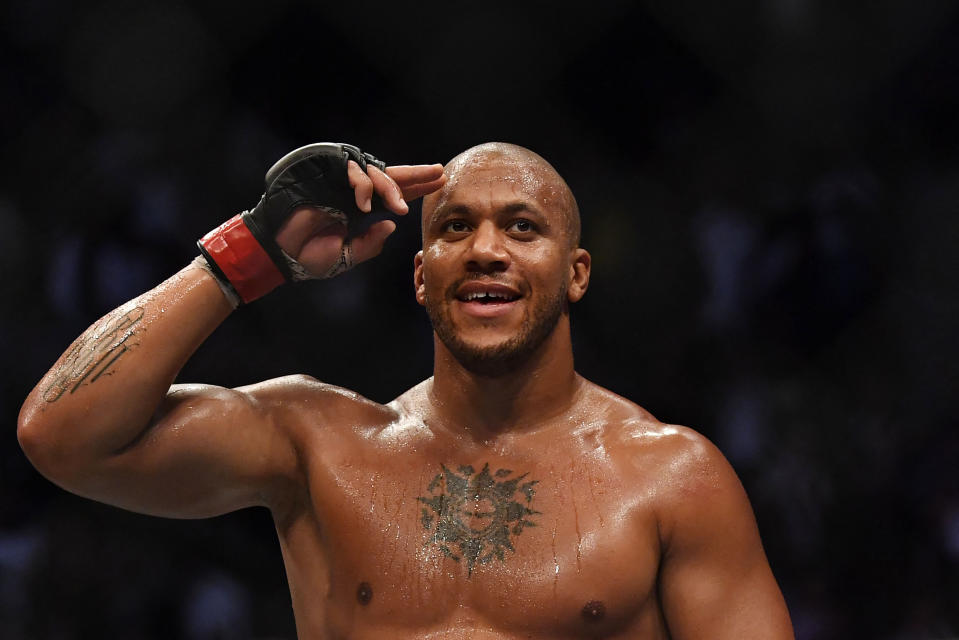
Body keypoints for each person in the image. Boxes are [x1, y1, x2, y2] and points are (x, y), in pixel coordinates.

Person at [18, 141, 794, 639]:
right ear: (421, 278)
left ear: (575, 273)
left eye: (521, 228)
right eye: (454, 227)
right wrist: (249, 252)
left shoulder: (669, 479)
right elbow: (61, 435)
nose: (485, 250)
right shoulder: (317, 444)